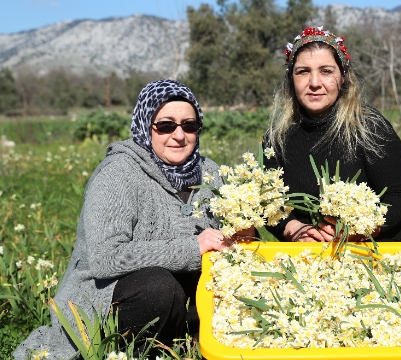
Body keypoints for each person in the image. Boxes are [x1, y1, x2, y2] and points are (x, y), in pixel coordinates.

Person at [14, 79, 254, 359]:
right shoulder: (118, 174)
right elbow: (105, 258)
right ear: (144, 125)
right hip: (114, 296)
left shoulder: (210, 172)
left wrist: (245, 232)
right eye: (165, 125)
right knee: (158, 288)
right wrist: (192, 247)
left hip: (185, 296)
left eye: (189, 125)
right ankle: (132, 351)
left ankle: (191, 342)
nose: (179, 135)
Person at [263, 26, 401, 242]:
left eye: (326, 71)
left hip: (369, 254)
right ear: (291, 79)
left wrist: (362, 228)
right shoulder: (276, 137)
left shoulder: (369, 127)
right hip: (307, 260)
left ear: (343, 78)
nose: (314, 83)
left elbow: (400, 197)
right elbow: (271, 205)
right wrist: (297, 231)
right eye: (303, 71)